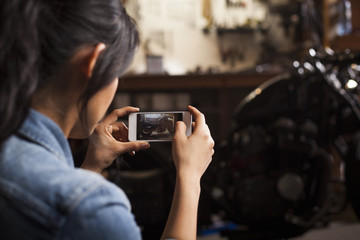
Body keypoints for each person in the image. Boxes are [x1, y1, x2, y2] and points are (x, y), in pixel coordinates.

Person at [0, 0, 215, 239]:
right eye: (117, 73)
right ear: (92, 62)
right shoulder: (92, 207)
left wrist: (92, 166)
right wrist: (189, 175)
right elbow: (72, 211)